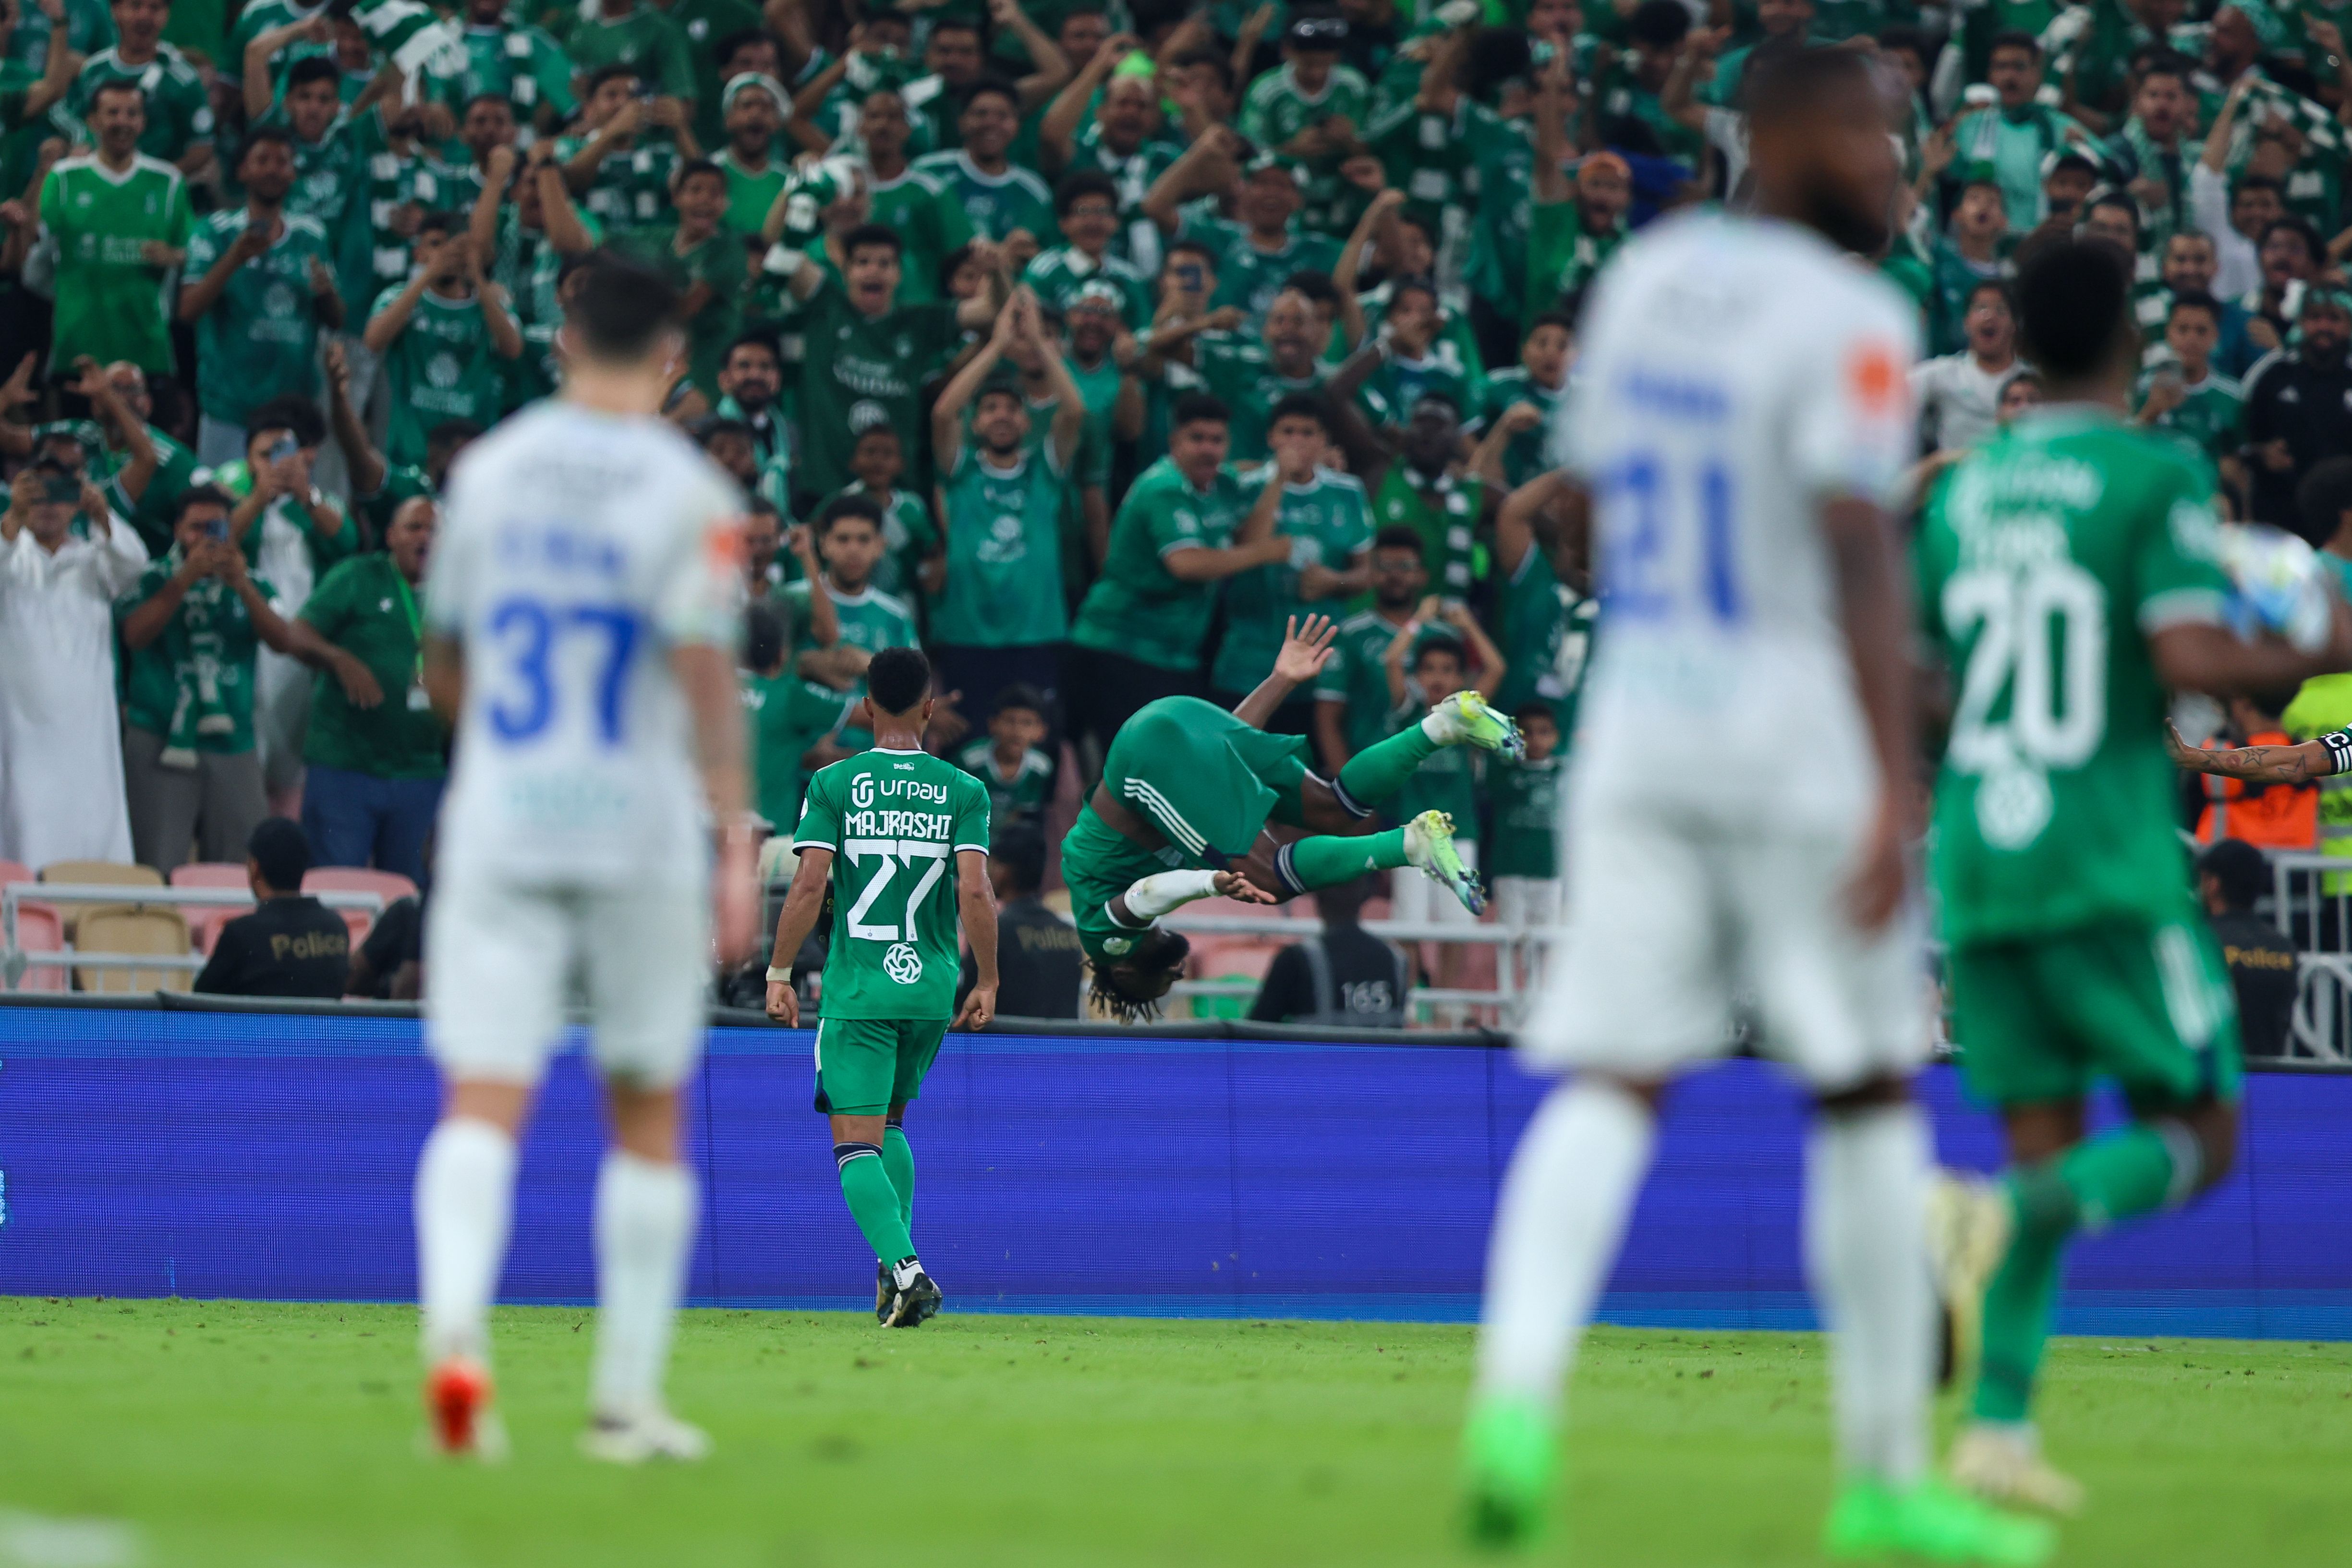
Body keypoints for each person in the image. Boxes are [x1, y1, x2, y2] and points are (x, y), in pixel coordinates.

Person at [1466, 48, 2052, 1562]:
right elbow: (1859, 544)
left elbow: (1581, 511)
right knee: (1861, 1093)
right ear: (1788, 133)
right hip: (1789, 736)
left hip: (1638, 733)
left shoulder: (1646, 279)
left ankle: (1514, 1402)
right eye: (1877, 134)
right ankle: (1877, 1482)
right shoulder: (1854, 317)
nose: (1897, 169)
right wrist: (1883, 776)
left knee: (1609, 1079)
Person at [1921, 237, 2352, 1521]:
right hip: (2100, 856)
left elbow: (1938, 678)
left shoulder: (1965, 493)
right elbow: (2192, 650)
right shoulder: (2152, 470)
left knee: (2044, 1122)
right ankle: (1985, 1216)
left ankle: (1996, 1427)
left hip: (1978, 852)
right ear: (2126, 336)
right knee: (2203, 1133)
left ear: (2024, 342)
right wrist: (2329, 622)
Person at [408, 254, 758, 1463]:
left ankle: (457, 1352)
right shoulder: (689, 489)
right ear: (669, 354)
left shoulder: (488, 473)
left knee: (482, 1100)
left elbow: (442, 661)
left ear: (562, 340)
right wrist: (736, 831)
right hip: (636, 825)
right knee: (647, 1110)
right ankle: (622, 1402)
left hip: (504, 815)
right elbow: (707, 671)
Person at [1062, 615, 1516, 1021]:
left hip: (1149, 757)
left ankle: (1409, 845)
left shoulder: (1105, 941)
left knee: (1269, 880)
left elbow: (1145, 895)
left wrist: (1207, 883)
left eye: (1161, 979)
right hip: (1184, 725)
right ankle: (1444, 724)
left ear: (1123, 969)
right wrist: (1280, 681)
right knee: (1334, 809)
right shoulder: (1120, 884)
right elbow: (1213, 750)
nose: (1177, 972)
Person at [761, 646, 997, 1329]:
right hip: (929, 987)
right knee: (890, 1125)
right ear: (929, 709)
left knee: (853, 1140)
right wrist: (989, 977)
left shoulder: (835, 784)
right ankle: (893, 1270)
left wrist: (778, 972)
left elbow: (809, 885)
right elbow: (975, 889)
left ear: (865, 707)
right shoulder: (965, 790)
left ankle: (907, 1270)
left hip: (860, 988)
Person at [1064, 392, 1295, 762]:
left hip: (1173, 655)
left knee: (1161, 768)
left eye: (1217, 440)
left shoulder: (1217, 483)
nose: (1208, 449)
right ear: (1174, 443)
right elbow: (1186, 564)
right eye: (1197, 438)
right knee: (1137, 771)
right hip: (1121, 647)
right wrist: (1265, 553)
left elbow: (1249, 539)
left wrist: (1278, 478)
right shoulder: (1163, 487)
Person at [116, 485, 300, 874]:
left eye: (216, 528)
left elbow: (283, 641)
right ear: (178, 530)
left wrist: (244, 586)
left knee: (240, 868)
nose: (205, 538)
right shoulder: (150, 578)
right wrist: (183, 580)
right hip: (160, 738)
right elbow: (135, 635)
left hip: (233, 741)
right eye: (196, 528)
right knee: (157, 865)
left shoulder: (253, 582)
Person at [927, 288, 1085, 734]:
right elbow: (943, 412)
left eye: (1012, 409)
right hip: (968, 634)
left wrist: (1038, 344)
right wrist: (997, 346)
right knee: (970, 748)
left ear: (1025, 421)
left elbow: (1073, 410)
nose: (1001, 416)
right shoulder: (961, 472)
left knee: (1036, 746)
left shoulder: (1043, 469)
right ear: (976, 423)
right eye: (991, 408)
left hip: (1037, 634)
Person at [287, 496, 447, 886]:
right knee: (337, 889)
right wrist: (339, 659)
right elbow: (297, 634)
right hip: (346, 769)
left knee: (409, 897)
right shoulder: (357, 576)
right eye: (414, 528)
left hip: (421, 771)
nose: (425, 537)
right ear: (391, 536)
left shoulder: (457, 594)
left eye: (435, 530)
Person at [0, 455, 150, 869]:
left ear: (77, 501)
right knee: (24, 837)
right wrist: (11, 518)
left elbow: (135, 565)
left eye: (61, 494)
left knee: (94, 841)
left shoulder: (94, 559)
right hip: (22, 737)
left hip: (88, 739)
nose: (49, 504)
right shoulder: (12, 553)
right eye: (38, 493)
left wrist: (104, 517)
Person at [178, 127, 341, 466]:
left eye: (282, 162)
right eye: (262, 160)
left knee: (287, 512)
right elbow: (188, 310)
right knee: (224, 504)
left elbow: (337, 318)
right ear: (242, 171)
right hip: (229, 406)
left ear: (294, 172)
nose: (272, 169)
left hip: (293, 409)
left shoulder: (311, 235)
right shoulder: (214, 231)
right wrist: (234, 260)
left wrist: (326, 293)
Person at [1208, 394, 1369, 728]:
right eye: (1288, 431)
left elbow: (1367, 574)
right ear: (1271, 437)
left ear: (1324, 440)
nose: (1297, 441)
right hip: (1249, 657)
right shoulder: (1243, 485)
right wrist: (1278, 480)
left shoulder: (1348, 491)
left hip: (1321, 661)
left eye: (1308, 433)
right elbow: (1247, 551)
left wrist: (1333, 581)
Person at [36, 78, 194, 377]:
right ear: (93, 120)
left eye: (132, 113)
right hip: (77, 347)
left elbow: (196, 253)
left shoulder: (168, 181)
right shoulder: (64, 177)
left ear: (143, 122)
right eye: (113, 113)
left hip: (146, 350)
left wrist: (174, 257)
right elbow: (37, 254)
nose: (123, 121)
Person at [190, 817, 351, 997]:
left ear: (255, 868)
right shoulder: (336, 928)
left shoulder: (242, 934)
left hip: (256, 1026)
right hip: (322, 1026)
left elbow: (201, 1001)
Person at [2242, 286, 2352, 542]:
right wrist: (2262, 454)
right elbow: (2240, 446)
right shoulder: (2270, 374)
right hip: (2279, 517)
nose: (2324, 326)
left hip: (2344, 528)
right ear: (2301, 322)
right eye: (2315, 318)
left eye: (2334, 318)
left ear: (2348, 325)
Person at [1247, 874, 1406, 1028]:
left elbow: (1252, 1037)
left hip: (1316, 1056)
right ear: (1370, 889)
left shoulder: (1296, 960)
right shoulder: (1396, 960)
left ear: (1315, 889)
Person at [959, 823, 1080, 1021]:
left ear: (1003, 871)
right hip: (1062, 1049)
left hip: (1008, 1047)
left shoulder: (994, 932)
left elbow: (966, 1005)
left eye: (991, 864)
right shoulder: (1067, 932)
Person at [1911, 278, 2024, 454]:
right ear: (1967, 323)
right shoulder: (1944, 373)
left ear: (2015, 325)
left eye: (2001, 310)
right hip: (1955, 475)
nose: (1990, 316)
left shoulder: (2032, 381)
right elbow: (1892, 395)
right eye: (1981, 308)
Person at [953, 685, 1055, 831]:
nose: (1017, 732)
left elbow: (1023, 814)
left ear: (1041, 731)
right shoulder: (970, 761)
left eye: (1027, 723)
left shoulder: (1041, 767)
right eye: (1010, 721)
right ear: (993, 724)